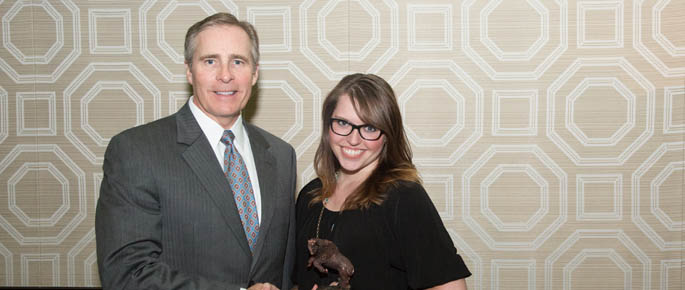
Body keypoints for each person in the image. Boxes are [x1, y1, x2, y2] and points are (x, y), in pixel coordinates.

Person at [95, 12, 296, 290]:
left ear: (255, 74)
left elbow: (281, 270)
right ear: (189, 70)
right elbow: (127, 273)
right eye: (210, 61)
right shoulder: (136, 151)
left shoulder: (281, 155)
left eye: (238, 61)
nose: (225, 75)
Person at [293, 73, 471, 289]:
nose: (353, 138)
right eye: (342, 123)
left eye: (369, 128)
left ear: (387, 134)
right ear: (327, 126)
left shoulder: (404, 197)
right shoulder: (309, 196)